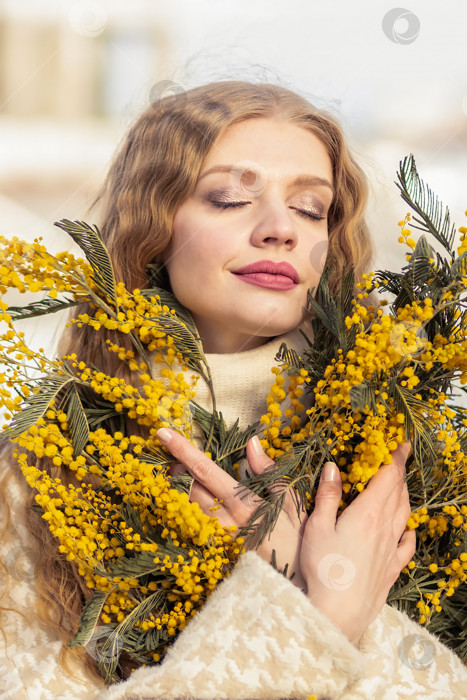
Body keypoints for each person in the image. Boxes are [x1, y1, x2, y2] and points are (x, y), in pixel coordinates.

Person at [0, 80, 466, 700]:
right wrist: (311, 615)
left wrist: (334, 602)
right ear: (155, 227)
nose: (281, 229)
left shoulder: (423, 464)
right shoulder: (36, 482)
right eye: (228, 198)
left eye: (309, 208)